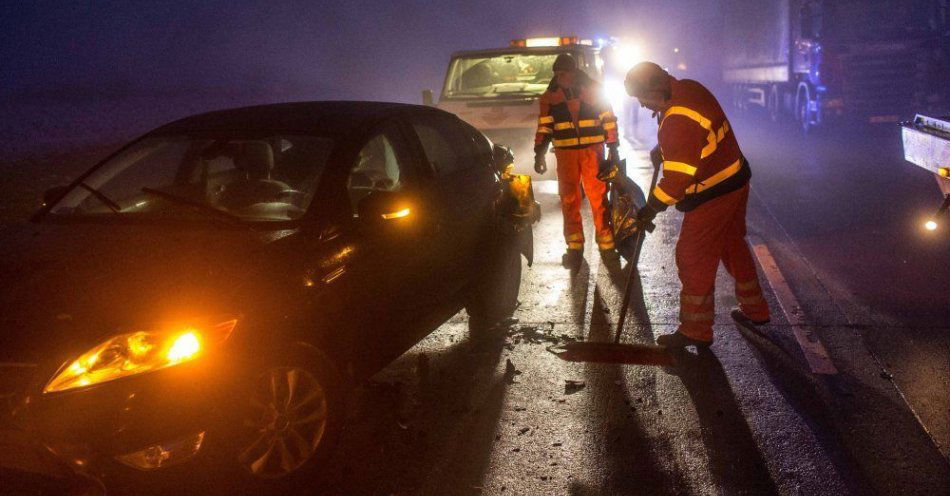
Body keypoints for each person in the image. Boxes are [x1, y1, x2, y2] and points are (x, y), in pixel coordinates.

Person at [624, 61, 770, 349]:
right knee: (731, 244)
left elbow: (676, 183)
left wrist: (650, 208)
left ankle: (696, 329)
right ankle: (756, 310)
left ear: (656, 88)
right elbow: (695, 138)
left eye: (642, 98)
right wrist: (662, 151)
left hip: (713, 192)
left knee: (692, 257)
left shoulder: (677, 120)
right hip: (735, 178)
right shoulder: (688, 88)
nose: (642, 105)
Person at [534, 54, 621, 266]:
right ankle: (574, 247)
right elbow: (545, 126)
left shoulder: (593, 89)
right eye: (557, 74)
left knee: (598, 197)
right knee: (568, 199)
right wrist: (539, 152)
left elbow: (608, 118)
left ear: (573, 72)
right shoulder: (550, 97)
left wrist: (613, 145)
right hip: (566, 153)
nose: (559, 77)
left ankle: (606, 245)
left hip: (592, 151)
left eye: (562, 73)